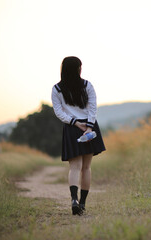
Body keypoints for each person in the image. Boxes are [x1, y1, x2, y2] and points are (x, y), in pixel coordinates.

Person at [51, 56, 106, 215]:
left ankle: (74, 199)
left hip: (71, 128)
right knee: (86, 168)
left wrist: (74, 122)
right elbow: (93, 108)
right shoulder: (87, 85)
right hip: (89, 127)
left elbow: (59, 112)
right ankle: (82, 203)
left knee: (74, 167)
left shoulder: (56, 89)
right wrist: (89, 127)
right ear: (78, 69)